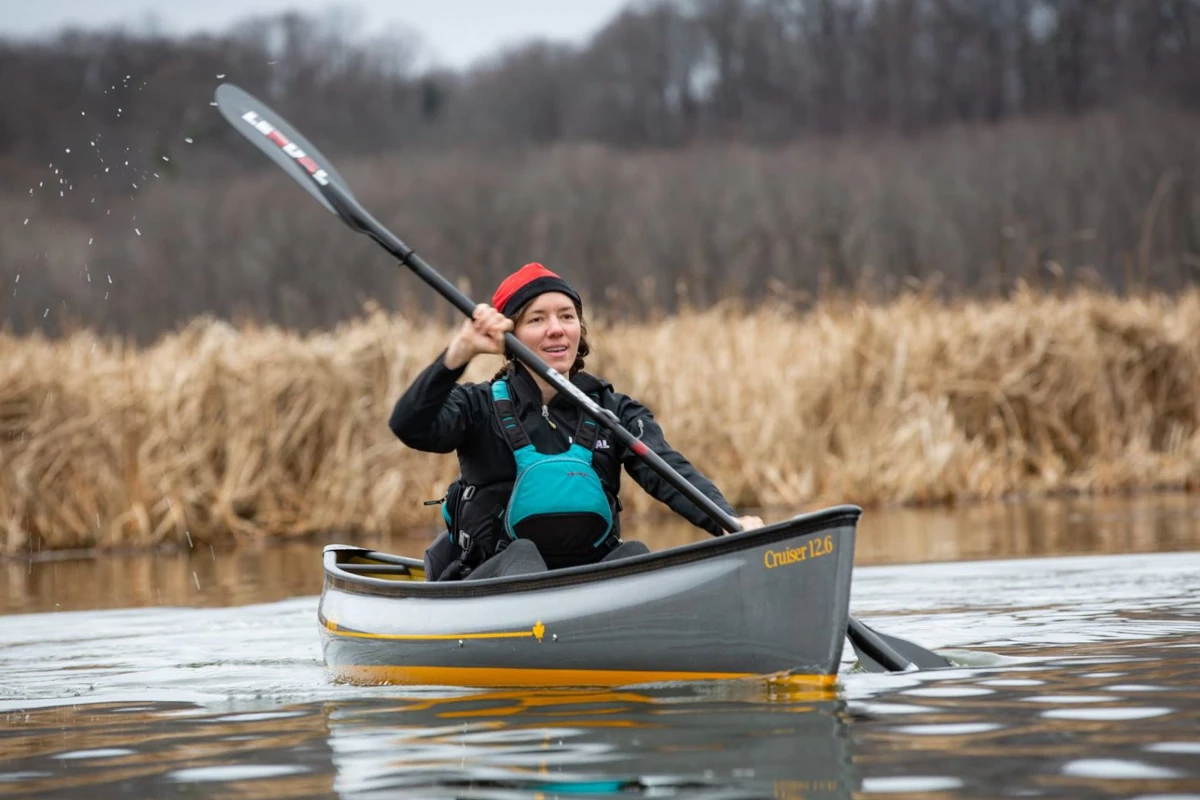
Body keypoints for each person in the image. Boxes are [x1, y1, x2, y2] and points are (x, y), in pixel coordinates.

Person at [389, 262, 764, 581]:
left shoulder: (612, 411)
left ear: (579, 330)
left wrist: (731, 524)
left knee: (635, 554)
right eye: (537, 319)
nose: (557, 329)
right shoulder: (477, 406)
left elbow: (669, 472)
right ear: (510, 337)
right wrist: (461, 351)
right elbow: (408, 424)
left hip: (590, 586)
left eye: (567, 317)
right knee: (524, 557)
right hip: (495, 585)